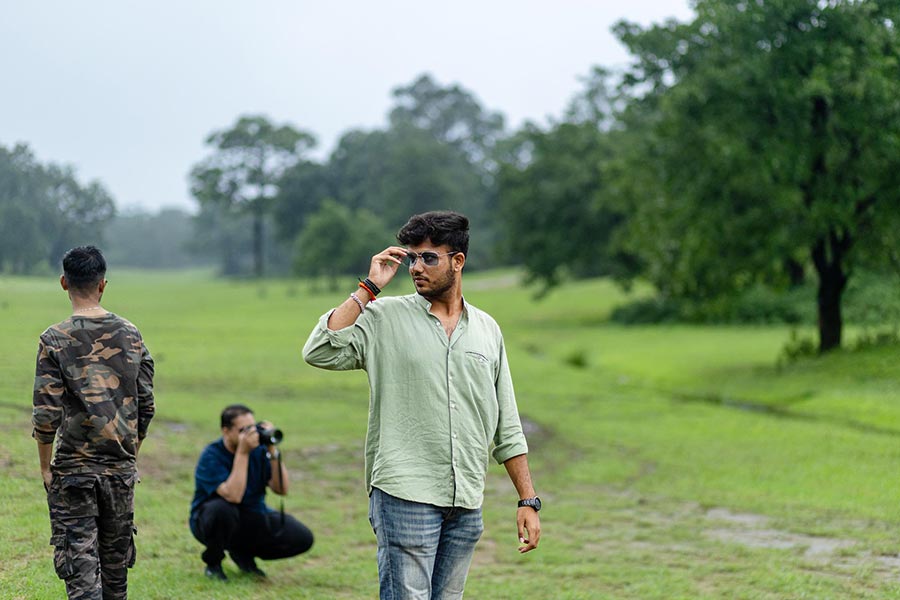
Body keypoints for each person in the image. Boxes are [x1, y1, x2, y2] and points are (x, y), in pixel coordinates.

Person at [303, 210, 542, 599]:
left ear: (457, 261)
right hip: (404, 492)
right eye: (412, 257)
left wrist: (527, 499)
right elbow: (319, 350)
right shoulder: (383, 317)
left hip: (465, 497)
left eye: (428, 257)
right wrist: (367, 288)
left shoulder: (487, 330)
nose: (416, 267)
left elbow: (507, 426)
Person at [32, 245, 156, 600]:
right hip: (119, 469)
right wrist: (130, 453)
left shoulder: (53, 339)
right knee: (116, 575)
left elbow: (46, 413)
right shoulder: (131, 334)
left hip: (73, 471)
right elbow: (146, 404)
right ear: (103, 284)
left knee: (82, 575)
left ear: (63, 283)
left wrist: (45, 467)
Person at [189, 404, 314, 581]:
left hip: (252, 515)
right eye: (243, 430)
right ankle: (213, 564)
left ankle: (242, 554)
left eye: (253, 428)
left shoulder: (260, 451)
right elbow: (234, 495)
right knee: (222, 510)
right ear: (226, 431)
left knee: (302, 537)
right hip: (211, 521)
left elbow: (281, 489)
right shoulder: (211, 455)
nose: (250, 434)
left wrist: (272, 450)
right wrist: (242, 453)